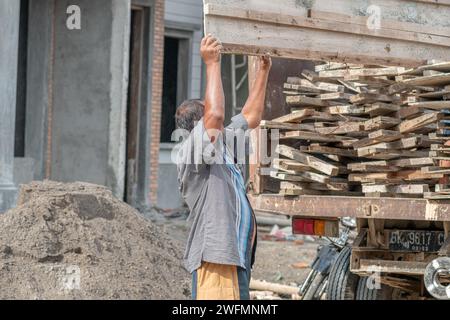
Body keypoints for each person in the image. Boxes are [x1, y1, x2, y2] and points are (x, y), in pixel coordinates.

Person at [175, 34, 271, 300]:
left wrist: (263, 69)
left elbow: (251, 116)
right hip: (214, 256)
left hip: (236, 255)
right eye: (208, 113)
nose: (218, 113)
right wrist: (211, 63)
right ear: (199, 125)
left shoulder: (224, 143)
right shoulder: (192, 152)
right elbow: (215, 114)